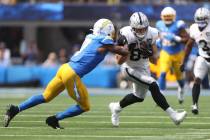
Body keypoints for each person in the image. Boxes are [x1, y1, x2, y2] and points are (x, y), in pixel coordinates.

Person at [3, 18, 129, 129]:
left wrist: (118, 45)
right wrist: (127, 44)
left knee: (45, 96)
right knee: (85, 106)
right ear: (107, 30)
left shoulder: (90, 37)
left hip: (64, 68)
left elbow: (102, 49)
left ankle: (15, 109)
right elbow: (120, 51)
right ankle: (55, 119)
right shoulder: (105, 39)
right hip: (72, 74)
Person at [109, 12, 187, 127]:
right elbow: (119, 61)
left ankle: (116, 107)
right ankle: (174, 115)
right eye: (138, 29)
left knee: (139, 97)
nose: (141, 31)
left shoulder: (152, 33)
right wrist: (127, 50)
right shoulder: (125, 34)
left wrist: (149, 52)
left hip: (143, 67)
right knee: (153, 84)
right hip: (128, 67)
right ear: (132, 28)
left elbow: (154, 60)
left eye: (143, 29)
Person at [156, 7, 189, 104]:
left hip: (178, 53)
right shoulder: (159, 24)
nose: (167, 19)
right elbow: (160, 36)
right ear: (162, 17)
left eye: (169, 16)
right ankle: (161, 96)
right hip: (165, 52)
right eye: (165, 17)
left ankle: (182, 89)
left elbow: (187, 39)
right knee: (162, 73)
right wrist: (159, 41)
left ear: (174, 16)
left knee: (179, 78)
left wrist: (176, 38)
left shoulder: (179, 25)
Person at [181, 7, 210, 115]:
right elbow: (189, 45)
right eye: (199, 19)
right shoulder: (193, 28)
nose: (201, 21)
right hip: (202, 57)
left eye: (204, 19)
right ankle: (195, 104)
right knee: (197, 79)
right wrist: (183, 61)